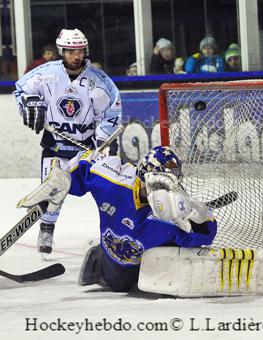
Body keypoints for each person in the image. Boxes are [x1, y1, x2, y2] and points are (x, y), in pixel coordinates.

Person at [18, 146, 217, 292]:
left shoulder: (174, 214)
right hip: (111, 261)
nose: (162, 192)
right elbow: (86, 160)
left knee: (129, 285)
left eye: (168, 186)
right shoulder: (114, 180)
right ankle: (98, 258)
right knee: (115, 283)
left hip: (142, 270)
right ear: (142, 176)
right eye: (158, 184)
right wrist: (64, 175)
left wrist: (197, 216)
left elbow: (204, 236)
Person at [13, 28, 122, 258]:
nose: (77, 56)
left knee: (108, 193)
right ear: (62, 51)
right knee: (52, 192)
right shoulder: (47, 74)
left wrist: (103, 140)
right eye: (72, 51)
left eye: (80, 51)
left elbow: (112, 112)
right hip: (55, 145)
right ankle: (46, 230)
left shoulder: (99, 81)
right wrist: (30, 102)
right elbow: (21, 89)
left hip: (87, 150)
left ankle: (116, 234)